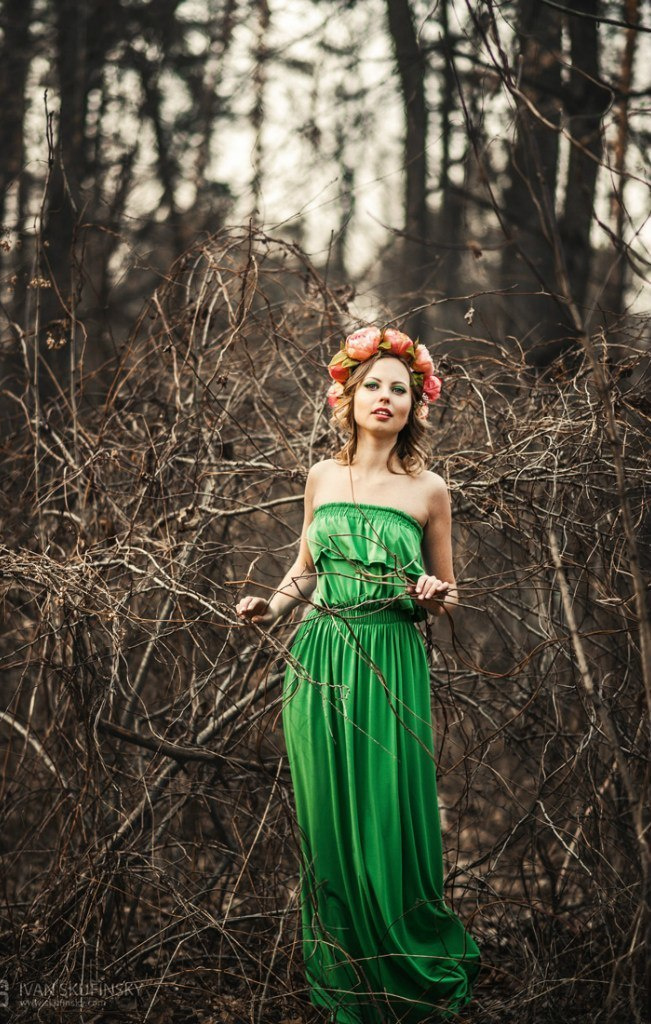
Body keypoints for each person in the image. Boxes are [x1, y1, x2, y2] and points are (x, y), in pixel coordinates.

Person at [236, 326, 480, 1022]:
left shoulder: (428, 490)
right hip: (318, 657)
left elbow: (448, 593)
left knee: (385, 810)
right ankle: (344, 967)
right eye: (373, 384)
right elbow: (304, 568)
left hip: (390, 659)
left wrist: (431, 594)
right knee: (325, 817)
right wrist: (268, 607)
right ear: (347, 396)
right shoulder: (321, 475)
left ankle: (400, 959)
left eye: (399, 389)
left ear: (414, 406)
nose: (385, 397)